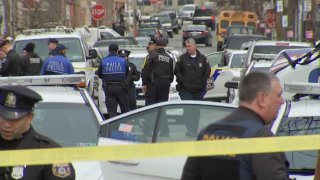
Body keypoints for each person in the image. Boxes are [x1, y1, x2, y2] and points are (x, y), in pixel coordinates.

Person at [181, 71, 289, 180]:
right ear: (262, 98)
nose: (282, 101)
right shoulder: (260, 137)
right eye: (278, 95)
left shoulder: (207, 132)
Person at [0, 85, 75, 180]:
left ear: (29, 118)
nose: (6, 125)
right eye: (3, 117)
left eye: (14, 120)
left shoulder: (50, 153)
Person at [175, 38, 211, 137]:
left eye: (189, 46)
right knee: (188, 110)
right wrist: (182, 81)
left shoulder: (203, 59)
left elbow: (207, 71)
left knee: (196, 111)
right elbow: (177, 71)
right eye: (186, 46)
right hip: (185, 89)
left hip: (198, 89)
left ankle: (194, 129)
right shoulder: (181, 58)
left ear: (195, 46)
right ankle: (190, 129)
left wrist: (203, 82)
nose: (187, 48)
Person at [97, 43, 130, 118]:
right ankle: (125, 128)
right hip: (121, 87)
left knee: (112, 111)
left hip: (109, 88)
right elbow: (127, 73)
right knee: (125, 109)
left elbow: (100, 74)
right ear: (117, 50)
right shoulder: (122, 61)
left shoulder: (104, 61)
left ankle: (113, 128)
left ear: (109, 50)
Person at [142, 37, 174, 106]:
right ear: (164, 46)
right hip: (165, 85)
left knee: (151, 107)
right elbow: (171, 74)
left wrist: (144, 83)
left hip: (153, 85)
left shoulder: (151, 55)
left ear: (156, 45)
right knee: (162, 106)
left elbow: (146, 70)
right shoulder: (169, 58)